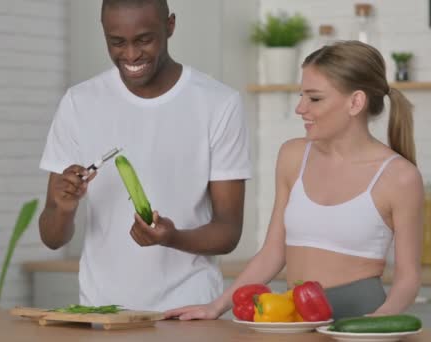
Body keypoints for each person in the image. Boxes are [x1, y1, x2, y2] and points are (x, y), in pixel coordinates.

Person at [166, 40, 423, 320]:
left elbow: (408, 278)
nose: (300, 108)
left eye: (314, 98)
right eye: (301, 95)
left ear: (355, 102)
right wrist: (216, 306)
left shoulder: (400, 177)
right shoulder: (293, 155)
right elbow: (273, 253)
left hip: (361, 317)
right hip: (296, 315)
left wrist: (379, 322)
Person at [38, 0, 251, 311]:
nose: (131, 54)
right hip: (102, 314)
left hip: (188, 313)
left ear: (170, 26)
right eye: (117, 42)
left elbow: (229, 231)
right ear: (104, 33)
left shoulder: (219, 104)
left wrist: (171, 237)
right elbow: (52, 237)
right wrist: (64, 208)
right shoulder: (79, 103)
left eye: (144, 39)